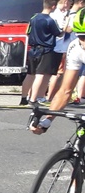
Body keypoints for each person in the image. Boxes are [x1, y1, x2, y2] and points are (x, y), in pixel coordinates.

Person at [31, 10, 85, 138]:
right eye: (81, 36)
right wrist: (47, 121)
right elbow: (65, 91)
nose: (83, 42)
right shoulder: (75, 47)